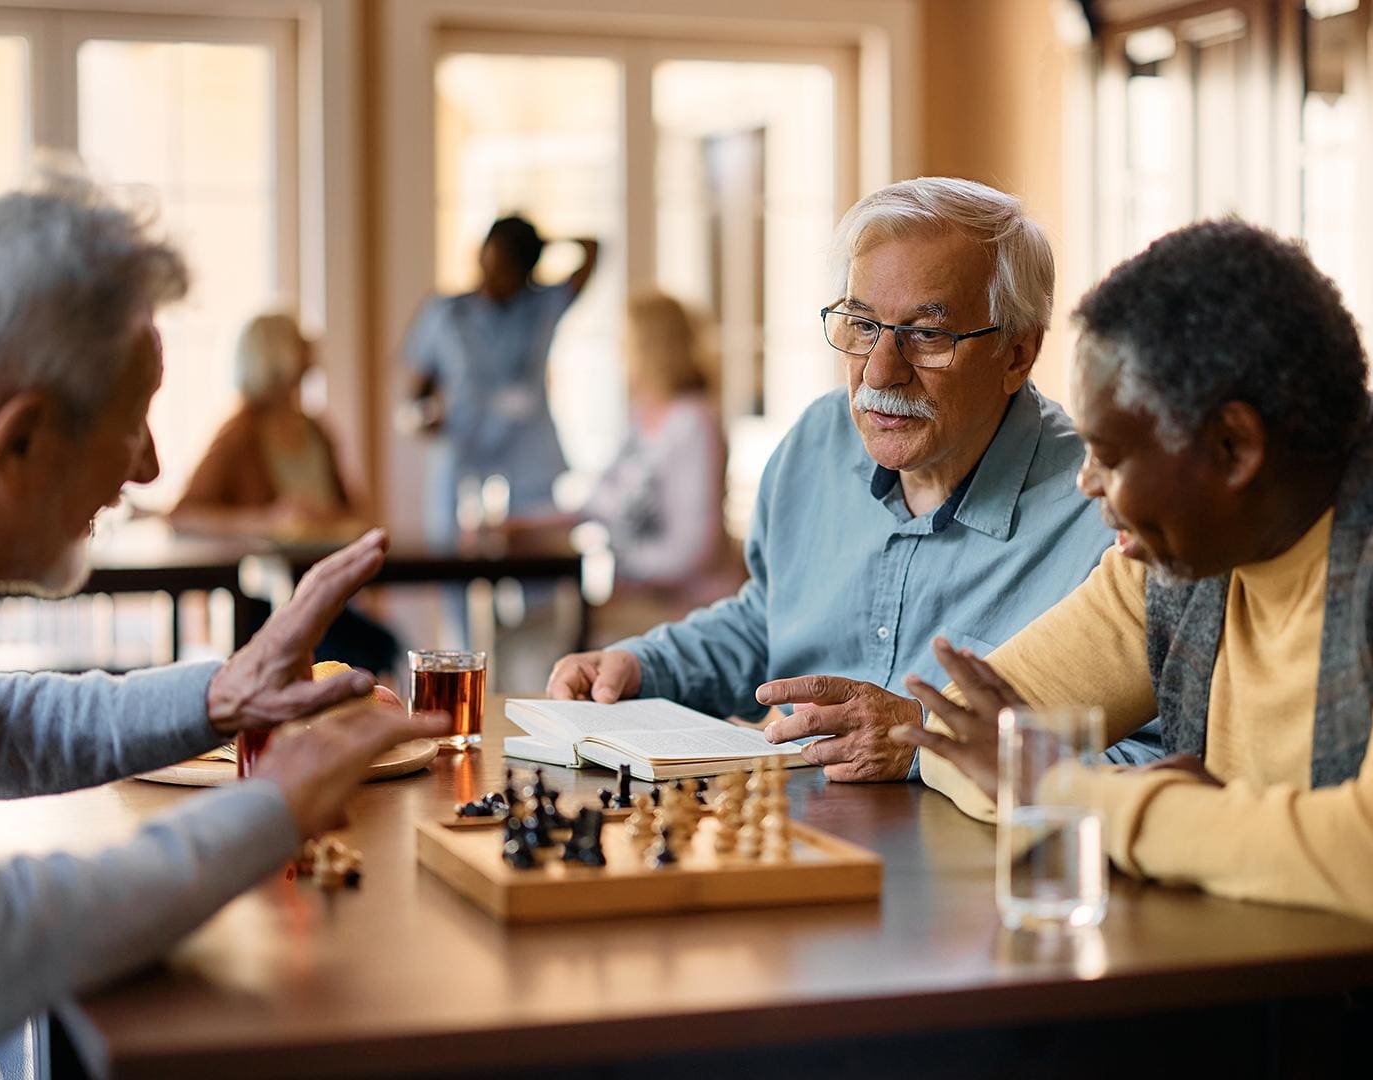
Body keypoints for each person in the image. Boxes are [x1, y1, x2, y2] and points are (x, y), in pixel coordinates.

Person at [894, 219, 1373, 1071]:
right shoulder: (1186, 555)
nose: (1089, 485)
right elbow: (965, 735)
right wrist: (1110, 802)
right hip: (1281, 1007)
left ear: (1234, 447)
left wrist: (1089, 800)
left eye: (1112, 456)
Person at [0, 176, 447, 1076]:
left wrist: (223, 690)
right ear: (22, 441)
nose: (152, 465)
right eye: (135, 423)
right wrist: (274, 807)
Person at [547, 177, 1160, 781]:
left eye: (927, 335)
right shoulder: (816, 443)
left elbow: (1148, 761)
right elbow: (769, 619)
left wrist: (923, 745)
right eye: (862, 326)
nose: (880, 372)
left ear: (1018, 354)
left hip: (971, 874)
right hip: (798, 844)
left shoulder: (1105, 517)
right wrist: (643, 664)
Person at [172, 311, 399, 675]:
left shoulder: (316, 428)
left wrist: (327, 517)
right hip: (266, 597)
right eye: (298, 341)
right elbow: (183, 515)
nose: (311, 350)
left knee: (381, 645)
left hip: (323, 592)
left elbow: (357, 513)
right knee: (356, 649)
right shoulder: (240, 433)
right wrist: (265, 520)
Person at [508, 291, 741, 633]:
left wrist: (631, 577)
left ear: (650, 348)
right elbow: (596, 503)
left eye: (626, 341)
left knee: (556, 633)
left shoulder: (693, 423)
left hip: (690, 608)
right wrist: (526, 527)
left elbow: (694, 548)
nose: (619, 353)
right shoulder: (642, 419)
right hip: (638, 597)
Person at [404, 215, 600, 548]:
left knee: (535, 560)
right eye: (488, 261)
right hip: (464, 449)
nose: (491, 277)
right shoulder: (446, 313)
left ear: (525, 273)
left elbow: (594, 249)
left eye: (506, 268)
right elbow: (417, 390)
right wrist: (423, 417)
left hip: (528, 454)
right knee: (454, 557)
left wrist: (544, 244)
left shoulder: (541, 305)